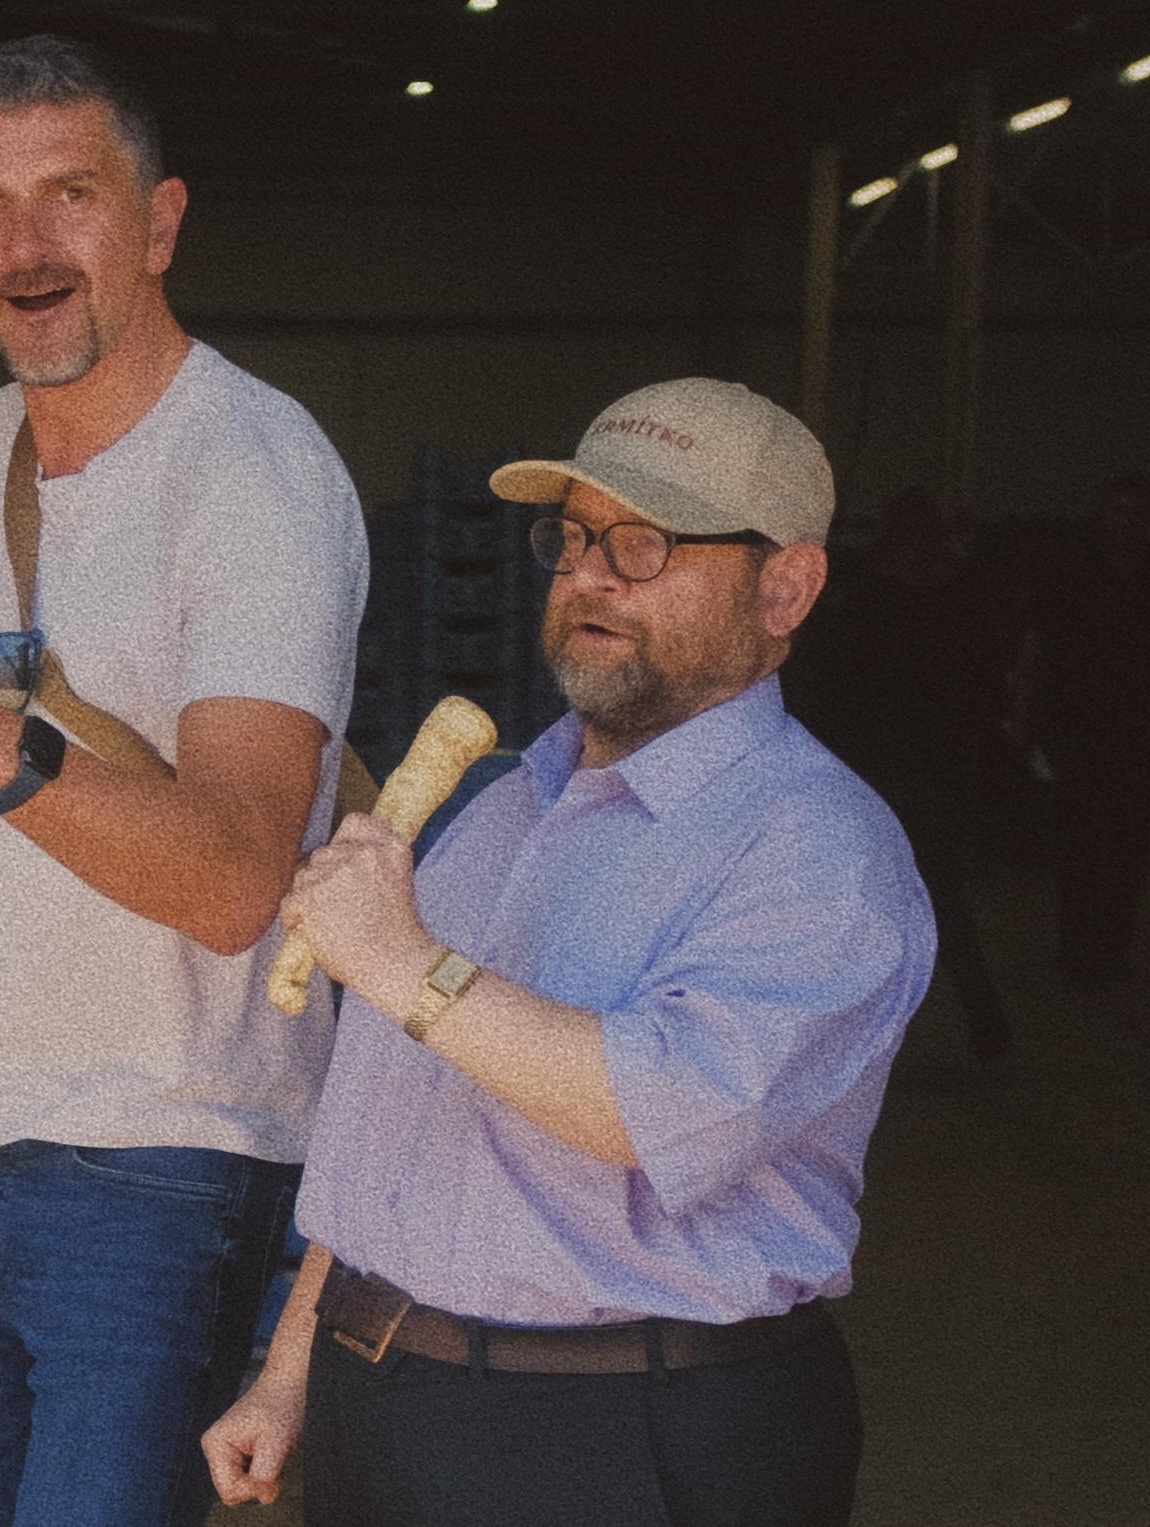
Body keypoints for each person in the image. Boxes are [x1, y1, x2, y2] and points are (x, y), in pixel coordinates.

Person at [204, 379, 935, 1525]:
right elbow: (394, 1131)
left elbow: (658, 1109)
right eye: (574, 537)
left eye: (643, 544)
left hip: (623, 1427)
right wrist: (294, 1369)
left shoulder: (816, 847)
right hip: (381, 1401)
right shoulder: (501, 804)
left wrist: (402, 965)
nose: (590, 575)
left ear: (784, 587)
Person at [0, 34, 367, 1527]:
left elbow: (237, 880)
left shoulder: (252, 473)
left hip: (165, 1158)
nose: (27, 244)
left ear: (160, 221)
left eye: (71, 193)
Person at [787, 487, 1012, 1059]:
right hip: (890, 766)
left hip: (902, 767)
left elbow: (827, 682)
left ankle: (971, 1022)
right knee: (916, 897)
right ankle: (975, 1021)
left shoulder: (889, 596)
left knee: (916, 896)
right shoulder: (878, 595)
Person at [1014, 472, 1150, 989]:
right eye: (1117, 511)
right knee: (1081, 838)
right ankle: (1078, 947)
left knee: (1126, 840)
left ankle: (1109, 947)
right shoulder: (1073, 573)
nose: (1125, 523)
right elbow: (1039, 646)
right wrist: (1025, 712)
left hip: (1140, 726)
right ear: (1102, 516)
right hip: (1079, 725)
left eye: (1135, 512)